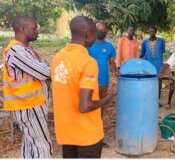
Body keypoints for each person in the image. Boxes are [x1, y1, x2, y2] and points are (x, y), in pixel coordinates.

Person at [51, 16, 116, 158]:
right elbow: (85, 106)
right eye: (94, 32)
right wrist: (109, 97)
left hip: (66, 133)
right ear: (88, 34)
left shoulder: (57, 58)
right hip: (86, 135)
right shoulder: (88, 62)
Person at [3, 16, 52, 158]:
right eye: (34, 28)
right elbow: (46, 71)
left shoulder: (26, 50)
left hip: (31, 105)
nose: (37, 32)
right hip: (29, 106)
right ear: (22, 29)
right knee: (43, 146)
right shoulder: (17, 52)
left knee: (30, 143)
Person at [140, 26, 166, 106]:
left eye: (153, 31)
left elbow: (162, 51)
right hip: (149, 66)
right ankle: (149, 99)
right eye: (150, 31)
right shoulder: (145, 42)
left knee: (159, 82)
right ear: (149, 32)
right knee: (149, 82)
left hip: (158, 65)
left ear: (156, 32)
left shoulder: (161, 41)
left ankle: (157, 100)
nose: (152, 33)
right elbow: (142, 54)